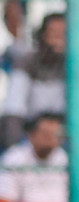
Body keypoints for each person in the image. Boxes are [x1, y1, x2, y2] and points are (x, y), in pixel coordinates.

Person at [2, 11, 66, 148]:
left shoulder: (76, 67)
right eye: (54, 34)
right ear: (42, 36)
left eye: (64, 35)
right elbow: (14, 112)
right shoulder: (27, 63)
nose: (59, 41)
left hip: (63, 136)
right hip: (29, 135)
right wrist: (16, 151)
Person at [0, 111, 67, 202]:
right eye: (45, 134)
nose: (50, 139)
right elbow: (4, 200)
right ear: (31, 135)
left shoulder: (65, 158)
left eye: (55, 135)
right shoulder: (14, 158)